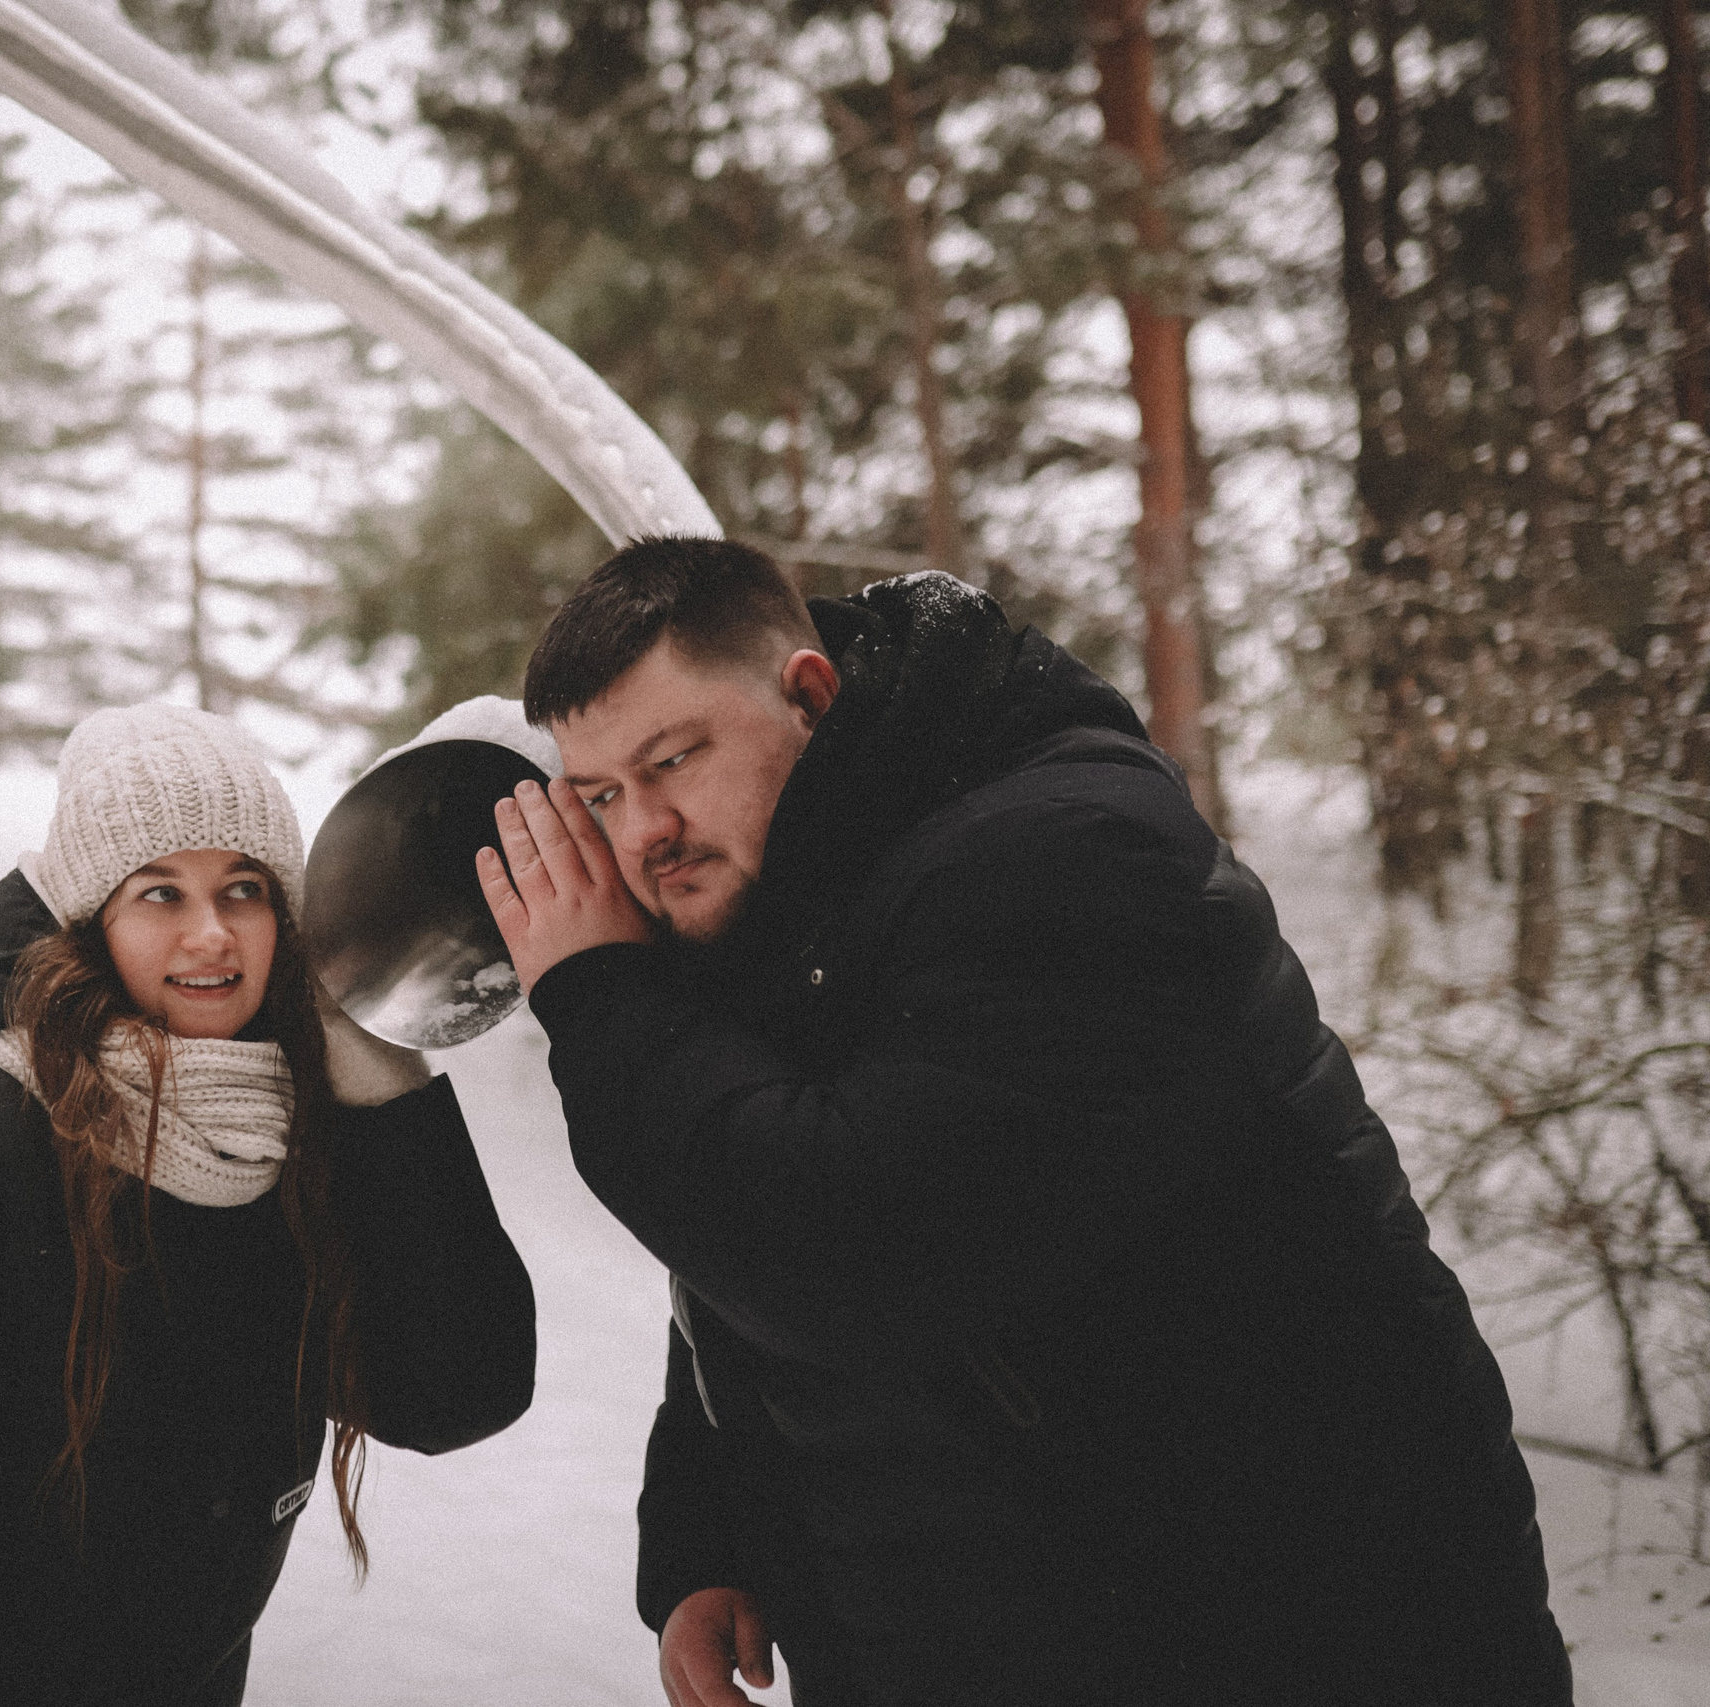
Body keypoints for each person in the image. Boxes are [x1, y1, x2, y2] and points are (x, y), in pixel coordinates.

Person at [475, 539, 1570, 1706]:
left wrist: (601, 1000)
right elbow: (747, 1250)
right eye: (600, 795)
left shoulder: (1062, 856)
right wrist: (719, 1540)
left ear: (809, 692)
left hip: (1298, 1635)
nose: (643, 831)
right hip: (997, 1628)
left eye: (673, 760)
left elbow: (852, 1251)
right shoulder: (803, 885)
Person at [0, 703, 538, 1707]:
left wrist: (377, 1075)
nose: (211, 933)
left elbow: (455, 1391)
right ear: (91, 922)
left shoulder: (288, 1150)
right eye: (160, 893)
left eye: (245, 889)